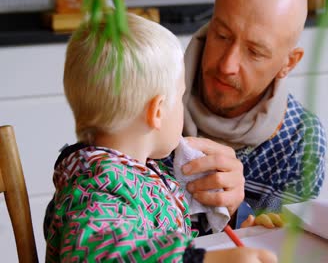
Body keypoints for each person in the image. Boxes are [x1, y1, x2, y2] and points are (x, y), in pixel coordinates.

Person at [44, 13, 276, 262]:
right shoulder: (100, 186)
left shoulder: (139, 171)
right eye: (181, 97)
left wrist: (241, 226)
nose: (183, 107)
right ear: (157, 111)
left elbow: (162, 238)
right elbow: (105, 252)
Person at [166, 0, 326, 218]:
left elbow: (284, 247)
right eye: (222, 36)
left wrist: (235, 212)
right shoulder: (149, 97)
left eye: (255, 52)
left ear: (288, 63)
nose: (227, 66)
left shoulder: (300, 138)